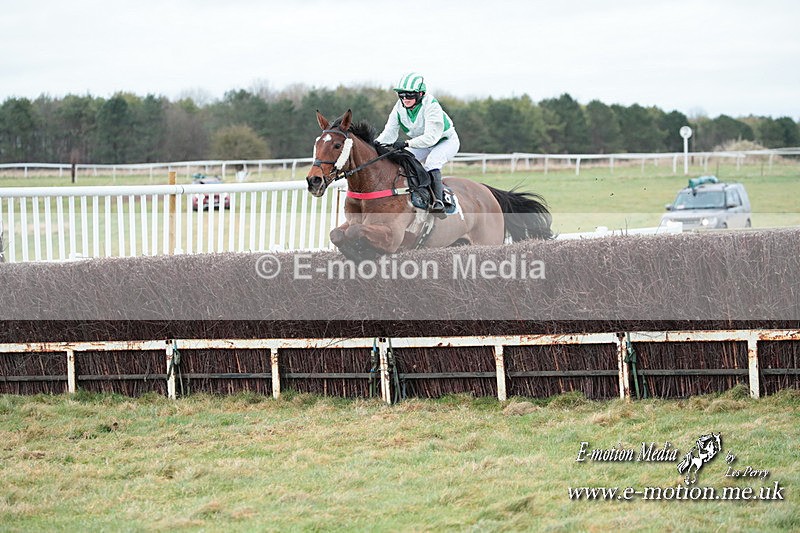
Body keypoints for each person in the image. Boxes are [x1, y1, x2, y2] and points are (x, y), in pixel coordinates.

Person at [375, 72, 459, 214]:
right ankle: (412, 193)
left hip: (444, 141)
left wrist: (407, 143)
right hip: (422, 143)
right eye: (402, 95)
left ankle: (439, 200)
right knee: (402, 161)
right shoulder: (399, 108)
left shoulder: (431, 106)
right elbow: (389, 133)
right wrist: (374, 145)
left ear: (420, 94)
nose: (405, 99)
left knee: (432, 162)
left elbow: (431, 138)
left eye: (410, 95)